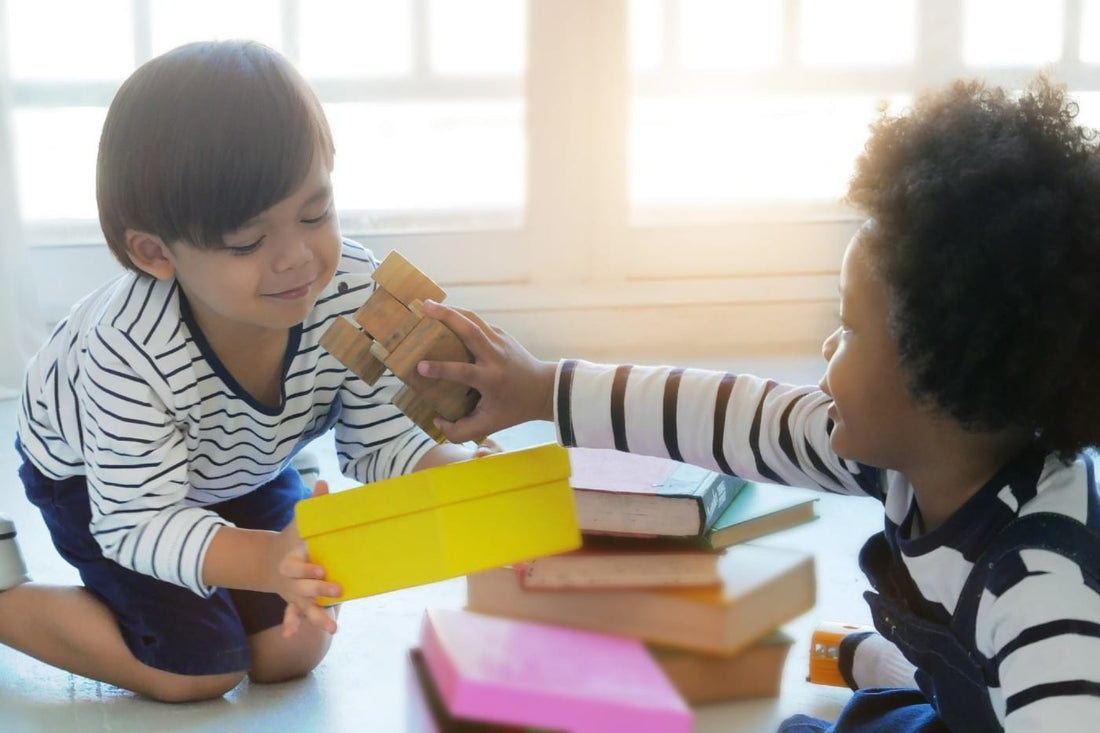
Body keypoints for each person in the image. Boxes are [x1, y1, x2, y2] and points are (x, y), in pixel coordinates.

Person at [417, 77, 1100, 732]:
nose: (829, 344)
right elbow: (733, 416)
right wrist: (542, 388)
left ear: (941, 371)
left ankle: (891, 673)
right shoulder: (913, 453)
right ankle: (893, 673)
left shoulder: (1044, 589)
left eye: (851, 328)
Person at [0, 40, 490, 703]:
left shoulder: (349, 286)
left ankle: (288, 475)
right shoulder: (128, 351)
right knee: (200, 669)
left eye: (315, 213)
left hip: (238, 461)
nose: (298, 259)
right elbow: (136, 522)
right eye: (248, 242)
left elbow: (380, 443)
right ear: (154, 252)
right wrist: (267, 558)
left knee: (292, 649)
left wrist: (461, 473)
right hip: (104, 483)